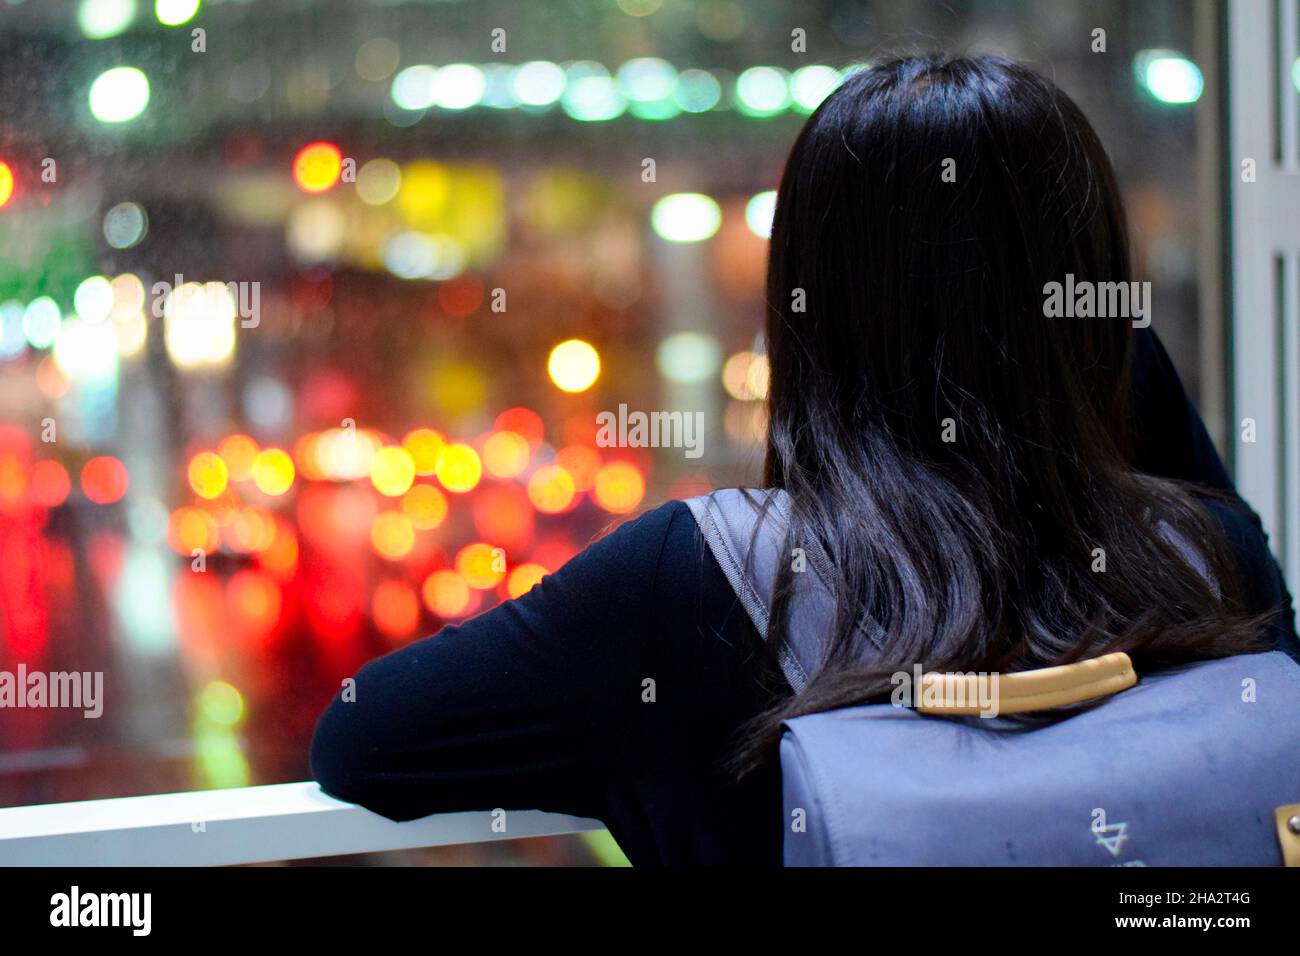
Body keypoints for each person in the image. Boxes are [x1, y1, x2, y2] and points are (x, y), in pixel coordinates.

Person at [310, 54, 1298, 866]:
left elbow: (361, 740)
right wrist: (1063, 349)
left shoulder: (689, 583)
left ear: (804, 304)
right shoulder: (1207, 556)